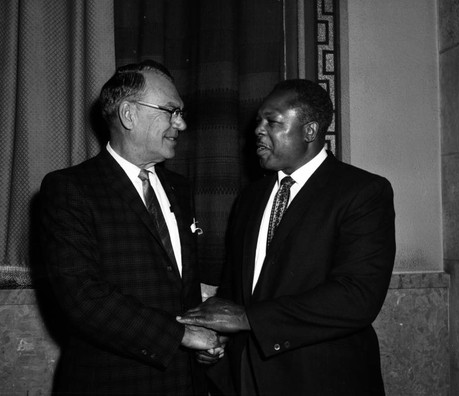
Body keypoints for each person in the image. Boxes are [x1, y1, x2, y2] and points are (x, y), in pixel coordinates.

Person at [177, 79, 396, 395]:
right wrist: (217, 337)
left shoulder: (362, 192)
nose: (258, 130)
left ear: (309, 131)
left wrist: (248, 318)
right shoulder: (250, 197)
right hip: (245, 376)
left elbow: (357, 297)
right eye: (258, 121)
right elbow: (236, 289)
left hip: (321, 379)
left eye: (272, 121)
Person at [40, 60, 222, 395]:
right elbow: (83, 297)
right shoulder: (70, 189)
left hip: (185, 382)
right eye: (171, 110)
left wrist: (203, 343)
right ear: (128, 114)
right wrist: (180, 336)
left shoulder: (180, 188)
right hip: (113, 383)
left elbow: (179, 285)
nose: (181, 124)